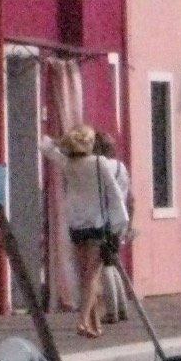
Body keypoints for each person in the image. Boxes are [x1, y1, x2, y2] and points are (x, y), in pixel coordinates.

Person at [39, 123, 129, 339]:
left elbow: (45, 146)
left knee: (84, 277)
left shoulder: (67, 163)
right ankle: (82, 321)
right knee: (92, 276)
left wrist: (62, 141)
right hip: (97, 224)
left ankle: (94, 323)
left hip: (76, 224)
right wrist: (121, 225)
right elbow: (115, 194)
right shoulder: (99, 163)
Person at [94, 130, 134, 324]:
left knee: (106, 265)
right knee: (114, 261)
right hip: (120, 219)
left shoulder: (99, 167)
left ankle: (112, 310)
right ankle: (122, 307)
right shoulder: (121, 167)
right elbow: (131, 197)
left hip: (104, 219)